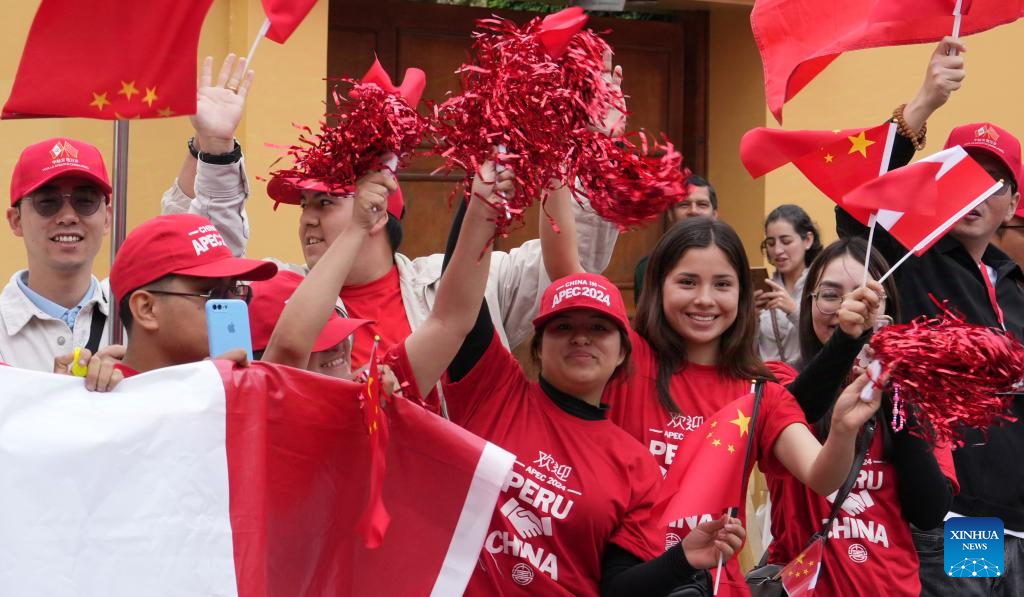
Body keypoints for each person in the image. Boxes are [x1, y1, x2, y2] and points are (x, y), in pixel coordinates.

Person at [385, 169, 746, 596]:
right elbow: (460, 294)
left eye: (598, 328)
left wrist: (680, 559)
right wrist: (480, 197)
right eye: (562, 327)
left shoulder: (636, 468)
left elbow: (617, 589)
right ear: (537, 347)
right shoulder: (494, 390)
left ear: (623, 353)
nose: (580, 337)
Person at [541, 181, 883, 594]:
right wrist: (556, 174)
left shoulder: (761, 392)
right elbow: (566, 271)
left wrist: (844, 429)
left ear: (743, 294)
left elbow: (821, 475)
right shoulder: (626, 358)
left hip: (715, 584)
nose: (705, 299)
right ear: (658, 285)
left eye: (723, 284)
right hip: (624, 580)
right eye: (687, 282)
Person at [0, 55, 256, 372]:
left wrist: (217, 146)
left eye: (85, 200)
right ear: (15, 220)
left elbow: (205, 247)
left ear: (107, 216)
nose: (67, 215)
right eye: (48, 202)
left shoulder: (144, 305)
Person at [762, 238, 957, 595]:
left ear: (889, 310)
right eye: (830, 295)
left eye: (867, 297)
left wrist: (890, 386)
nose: (849, 308)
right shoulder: (778, 378)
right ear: (809, 305)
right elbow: (795, 411)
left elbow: (929, 511)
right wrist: (848, 342)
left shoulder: (915, 395)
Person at [109, 214, 276, 376]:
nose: (232, 306)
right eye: (215, 295)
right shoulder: (100, 399)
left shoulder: (239, 387)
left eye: (236, 290)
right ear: (147, 309)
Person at [634, 174, 717, 302]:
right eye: (684, 204)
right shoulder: (650, 266)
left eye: (702, 204)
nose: (693, 211)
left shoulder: (729, 260)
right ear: (670, 214)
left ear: (714, 214)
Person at [755, 204, 821, 365]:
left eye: (786, 241)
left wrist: (793, 310)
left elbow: (826, 339)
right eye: (771, 243)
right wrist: (750, 319)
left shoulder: (821, 286)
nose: (777, 250)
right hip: (766, 383)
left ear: (808, 240)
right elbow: (749, 352)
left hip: (806, 384)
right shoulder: (764, 287)